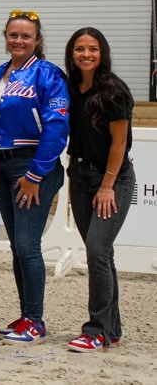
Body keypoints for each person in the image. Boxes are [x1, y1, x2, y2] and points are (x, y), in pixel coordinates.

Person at [0, 9, 68, 346]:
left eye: (25, 36)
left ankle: (35, 320)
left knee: (27, 244)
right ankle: (25, 315)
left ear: (37, 40)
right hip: (1, 163)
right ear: (5, 37)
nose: (18, 41)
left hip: (30, 165)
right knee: (18, 246)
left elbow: (57, 126)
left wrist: (36, 173)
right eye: (13, 35)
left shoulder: (47, 74)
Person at [62, 27, 134, 353]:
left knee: (96, 250)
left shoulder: (114, 92)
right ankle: (112, 328)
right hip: (78, 178)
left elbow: (119, 144)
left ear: (101, 52)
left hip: (112, 179)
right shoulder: (69, 88)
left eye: (92, 49)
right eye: (80, 49)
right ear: (72, 53)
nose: (86, 54)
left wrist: (107, 186)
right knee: (102, 254)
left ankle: (95, 330)